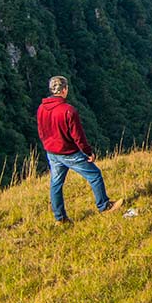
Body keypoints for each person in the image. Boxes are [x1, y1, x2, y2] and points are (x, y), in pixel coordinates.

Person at [36, 75, 123, 223]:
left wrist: (47, 145)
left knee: (56, 184)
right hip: (69, 152)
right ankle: (104, 206)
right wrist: (88, 152)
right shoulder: (68, 111)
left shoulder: (41, 108)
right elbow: (78, 137)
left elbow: (41, 130)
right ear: (64, 90)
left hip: (52, 152)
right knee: (94, 175)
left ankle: (60, 218)